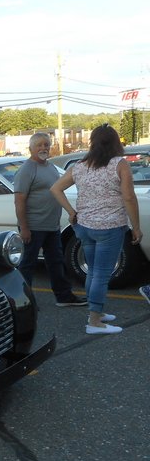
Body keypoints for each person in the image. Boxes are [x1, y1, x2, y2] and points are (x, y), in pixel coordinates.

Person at [49, 124, 143, 334]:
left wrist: (70, 211)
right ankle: (94, 322)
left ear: (93, 143)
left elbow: (55, 188)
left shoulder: (80, 166)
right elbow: (129, 197)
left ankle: (96, 312)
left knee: (93, 270)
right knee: (101, 273)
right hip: (110, 227)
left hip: (84, 226)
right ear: (116, 143)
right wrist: (135, 227)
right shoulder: (120, 164)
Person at [14, 132, 87, 307]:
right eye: (39, 145)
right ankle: (24, 303)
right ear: (31, 148)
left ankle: (64, 297)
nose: (43, 148)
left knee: (56, 262)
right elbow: (19, 201)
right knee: (27, 265)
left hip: (52, 226)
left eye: (46, 145)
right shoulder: (26, 170)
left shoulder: (50, 167)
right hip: (33, 227)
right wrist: (24, 228)